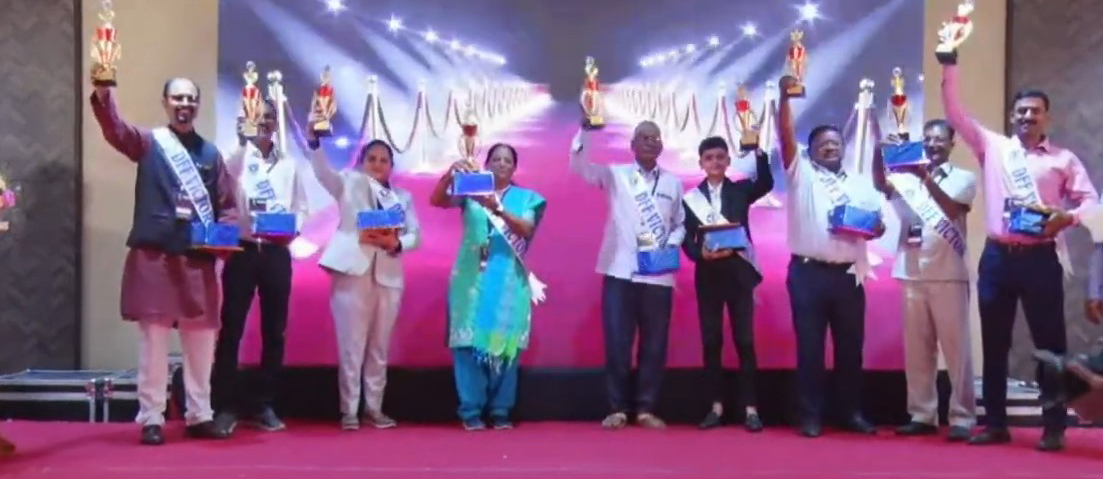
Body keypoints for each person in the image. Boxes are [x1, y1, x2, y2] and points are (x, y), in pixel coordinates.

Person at [939, 44, 1098, 451]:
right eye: (1021, 111)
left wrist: (1067, 218)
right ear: (1012, 117)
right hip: (998, 258)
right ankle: (995, 424)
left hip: (1041, 258)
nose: (1028, 116)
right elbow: (955, 113)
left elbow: (1092, 203)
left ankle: (1054, 427)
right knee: (994, 344)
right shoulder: (993, 147)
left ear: (1047, 117)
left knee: (1050, 346)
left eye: (1035, 111)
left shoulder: (1063, 159)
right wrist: (950, 66)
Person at [90, 77, 237, 445]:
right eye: (177, 97)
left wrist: (223, 241)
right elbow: (116, 130)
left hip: (196, 259)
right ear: (165, 102)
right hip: (154, 256)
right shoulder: (149, 143)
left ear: (197, 104)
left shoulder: (211, 154)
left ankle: (200, 414)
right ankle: (152, 417)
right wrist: (105, 94)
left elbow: (228, 207)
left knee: (202, 340)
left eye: (190, 97)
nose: (184, 103)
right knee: (153, 341)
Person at [777, 75, 885, 438]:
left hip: (848, 275)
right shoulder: (802, 174)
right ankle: (810, 415)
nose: (830, 148)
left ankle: (849, 413)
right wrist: (785, 100)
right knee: (810, 349)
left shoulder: (859, 184)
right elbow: (785, 137)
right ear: (810, 151)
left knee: (850, 349)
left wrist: (876, 229)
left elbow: (877, 226)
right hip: (807, 274)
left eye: (835, 143)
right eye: (822, 144)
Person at [569, 121, 685, 429]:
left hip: (658, 273)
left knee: (655, 344)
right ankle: (617, 408)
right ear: (632, 145)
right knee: (617, 342)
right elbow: (580, 167)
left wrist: (670, 244)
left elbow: (680, 223)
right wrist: (585, 131)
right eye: (643, 138)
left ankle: (646, 408)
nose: (650, 142)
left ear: (661, 146)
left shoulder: (673, 183)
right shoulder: (616, 175)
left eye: (655, 137)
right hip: (619, 270)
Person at [871, 119, 977, 442]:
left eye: (939, 139)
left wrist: (924, 177)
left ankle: (962, 417)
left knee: (956, 351)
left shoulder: (963, 178)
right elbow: (881, 184)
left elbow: (952, 209)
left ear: (952, 144)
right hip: (912, 271)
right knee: (918, 350)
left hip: (948, 273)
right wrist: (878, 151)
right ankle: (922, 414)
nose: (933, 144)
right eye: (927, 139)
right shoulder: (906, 178)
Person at [307, 131, 420, 431]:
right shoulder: (348, 183)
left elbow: (415, 235)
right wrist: (314, 144)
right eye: (372, 159)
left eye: (383, 160)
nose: (377, 165)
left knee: (379, 347)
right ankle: (349, 410)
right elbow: (323, 173)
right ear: (362, 162)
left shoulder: (402, 197)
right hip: (352, 272)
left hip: (388, 276)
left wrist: (398, 244)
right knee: (351, 345)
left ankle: (374, 408)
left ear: (391, 166)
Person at [429, 143, 547, 431]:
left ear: (514, 167)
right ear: (487, 163)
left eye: (507, 160)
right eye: (496, 159)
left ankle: (500, 410)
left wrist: (498, 209)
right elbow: (437, 200)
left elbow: (526, 230)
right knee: (467, 344)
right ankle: (471, 410)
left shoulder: (526, 198)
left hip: (508, 280)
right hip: (469, 279)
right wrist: (450, 174)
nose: (502, 164)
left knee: (504, 346)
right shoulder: (472, 191)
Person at [211, 99, 308, 434]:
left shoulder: (289, 164)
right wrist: (244, 141)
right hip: (243, 250)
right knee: (232, 327)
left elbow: (301, 206)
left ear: (276, 123)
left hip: (277, 252)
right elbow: (223, 189)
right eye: (256, 117)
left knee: (274, 330)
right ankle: (224, 405)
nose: (263, 123)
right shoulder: (235, 157)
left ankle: (264, 403)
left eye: (268, 117)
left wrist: (293, 229)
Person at [681, 136, 773, 431]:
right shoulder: (690, 199)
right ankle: (715, 407)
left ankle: (750, 409)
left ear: (728, 161)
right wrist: (700, 255)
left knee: (744, 341)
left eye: (720, 157)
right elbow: (685, 237)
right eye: (709, 158)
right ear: (701, 163)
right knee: (711, 341)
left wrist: (758, 151)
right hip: (708, 275)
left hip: (738, 273)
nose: (715, 162)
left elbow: (766, 182)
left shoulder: (741, 190)